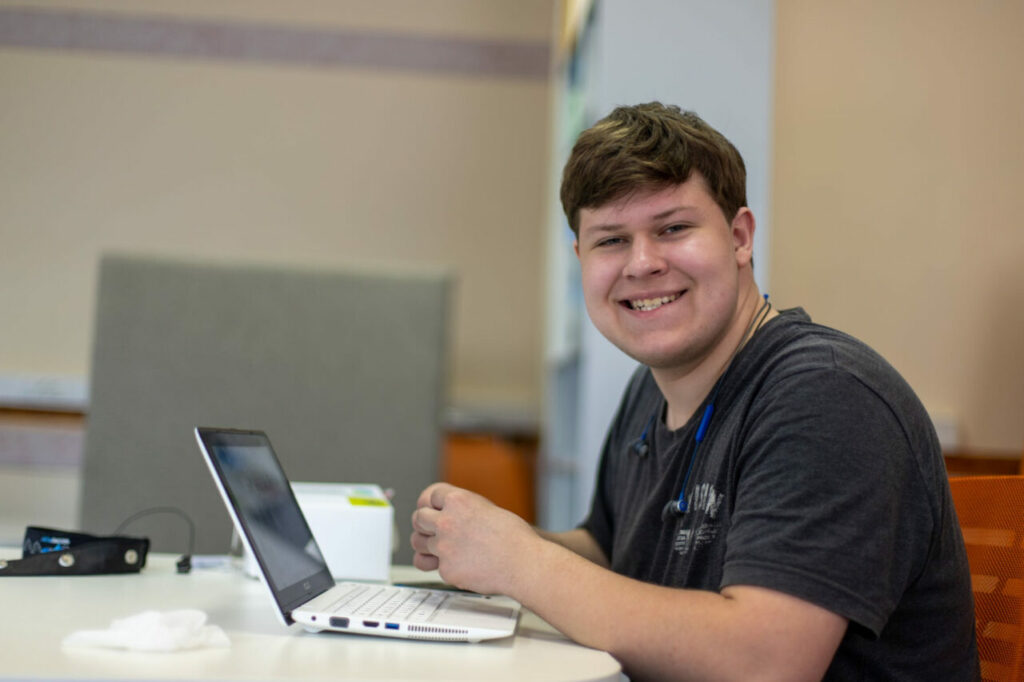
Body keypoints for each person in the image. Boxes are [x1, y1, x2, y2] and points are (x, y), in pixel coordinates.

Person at [411, 103, 979, 681]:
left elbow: (766, 663)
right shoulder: (650, 390)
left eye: (673, 229)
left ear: (739, 237)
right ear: (581, 259)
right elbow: (609, 552)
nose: (642, 263)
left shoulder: (827, 395)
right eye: (611, 240)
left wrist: (519, 561)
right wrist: (487, 540)